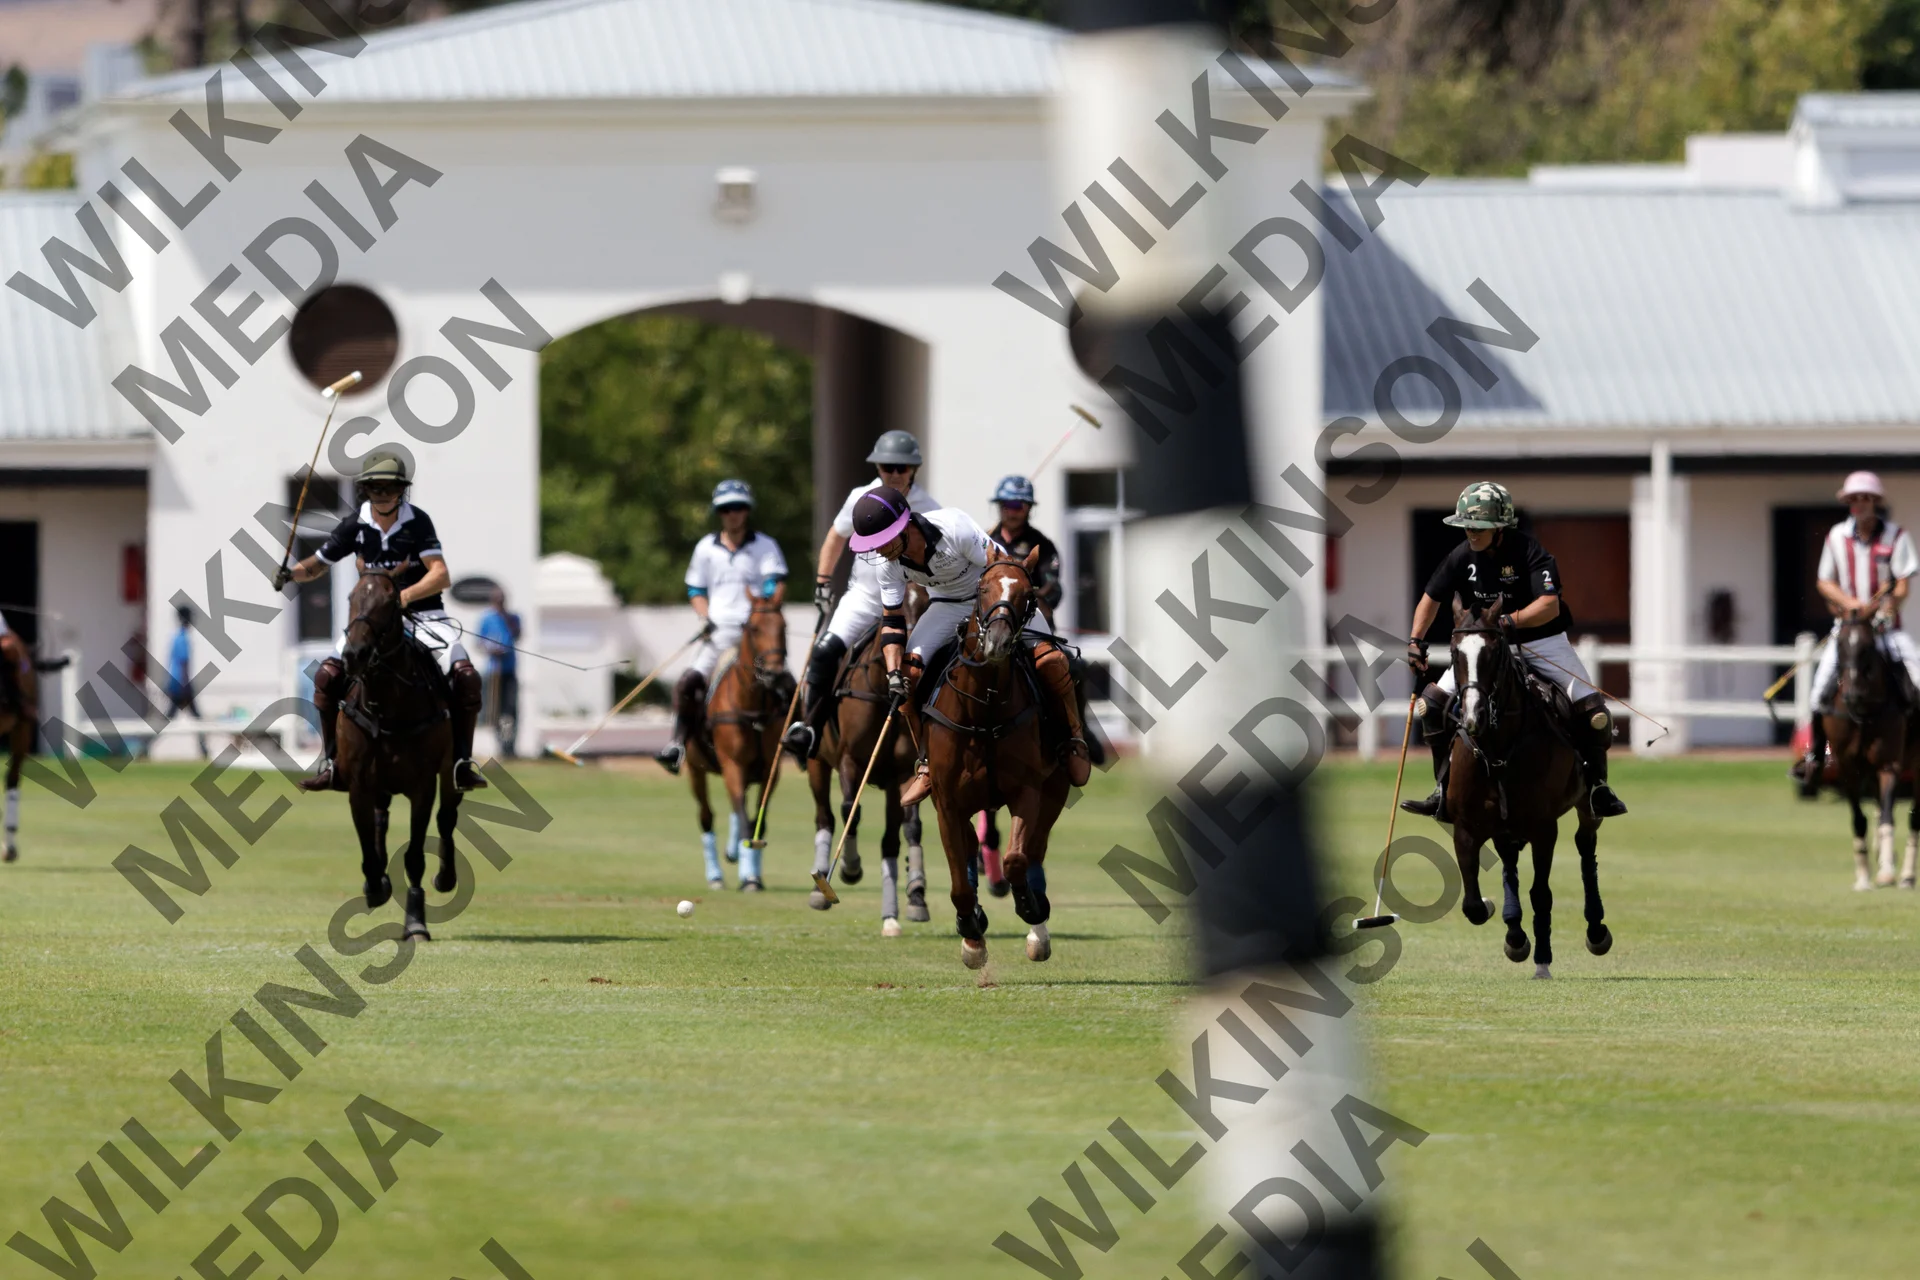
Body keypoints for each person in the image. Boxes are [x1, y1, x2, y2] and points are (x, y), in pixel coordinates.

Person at [844, 487, 1091, 804]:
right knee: (908, 677)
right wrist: (893, 673)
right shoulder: (888, 564)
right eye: (874, 543)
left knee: (1051, 661)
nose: (879, 548)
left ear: (905, 524)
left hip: (991, 599)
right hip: (945, 606)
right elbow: (892, 622)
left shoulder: (954, 528)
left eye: (884, 539)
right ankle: (926, 765)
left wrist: (1005, 612)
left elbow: (1003, 569)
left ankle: (1073, 739)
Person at [1402, 480, 1627, 819]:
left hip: (1541, 643)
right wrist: (1415, 641)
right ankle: (1442, 790)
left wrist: (1509, 621)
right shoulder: (1462, 555)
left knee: (1593, 712)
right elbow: (1430, 598)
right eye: (1467, 526)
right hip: (1488, 647)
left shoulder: (1530, 552)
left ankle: (1597, 787)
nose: (1470, 533)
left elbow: (1549, 605)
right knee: (1431, 706)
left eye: (1478, 526)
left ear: (1499, 527)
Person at [273, 450, 488, 793]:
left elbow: (440, 575)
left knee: (467, 677)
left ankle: (462, 762)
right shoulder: (355, 525)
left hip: (423, 616)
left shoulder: (417, 522)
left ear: (402, 489)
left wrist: (404, 597)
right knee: (327, 677)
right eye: (376, 487)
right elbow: (318, 564)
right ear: (365, 490)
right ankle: (332, 762)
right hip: (371, 624)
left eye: (391, 487)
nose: (384, 493)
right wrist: (290, 573)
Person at [782, 430, 939, 760]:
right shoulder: (860, 497)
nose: (894, 474)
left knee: (939, 660)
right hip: (864, 599)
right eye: (887, 467)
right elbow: (836, 535)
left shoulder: (929, 507)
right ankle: (810, 728)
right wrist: (823, 581)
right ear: (877, 467)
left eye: (901, 467)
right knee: (824, 652)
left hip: (909, 606)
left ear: (913, 469)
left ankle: (939, 737)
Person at [1799, 470, 1920, 797]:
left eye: (1865, 498)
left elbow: (1902, 585)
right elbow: (1824, 581)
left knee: (1917, 679)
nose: (1859, 503)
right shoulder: (1836, 537)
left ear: (1875, 502)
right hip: (1849, 629)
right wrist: (1850, 603)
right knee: (1819, 690)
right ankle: (1816, 757)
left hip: (1886, 630)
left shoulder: (1896, 536)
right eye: (1854, 499)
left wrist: (1887, 608)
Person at [658, 479, 788, 776]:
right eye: (726, 509)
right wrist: (705, 619)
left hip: (755, 635)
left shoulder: (766, 545)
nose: (733, 514)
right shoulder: (706, 548)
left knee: (787, 684)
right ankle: (677, 744)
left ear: (747, 511)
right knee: (687, 683)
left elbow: (774, 582)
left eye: (738, 508)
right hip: (718, 633)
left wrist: (763, 610)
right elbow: (696, 590)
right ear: (719, 513)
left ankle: (799, 739)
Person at [985, 475, 1063, 622]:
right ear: (999, 506)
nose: (1012, 512)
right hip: (990, 617)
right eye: (1007, 505)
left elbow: (1052, 587)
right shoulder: (985, 541)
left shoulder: (1043, 545)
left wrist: (1027, 596)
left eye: (1018, 506)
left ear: (1029, 508)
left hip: (1029, 617)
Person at [475, 587, 522, 759]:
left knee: (511, 709)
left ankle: (510, 746)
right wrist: (492, 649)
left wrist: (506, 619)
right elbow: (479, 643)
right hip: (493, 671)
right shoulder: (486, 619)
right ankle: (500, 744)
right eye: (497, 600)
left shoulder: (513, 617)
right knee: (494, 710)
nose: (499, 603)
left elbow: (518, 634)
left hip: (509, 670)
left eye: (502, 600)